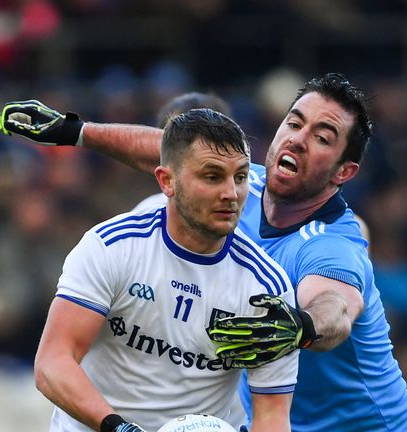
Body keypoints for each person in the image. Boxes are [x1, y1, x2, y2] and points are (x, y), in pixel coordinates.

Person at [0, 73, 407, 431]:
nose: (300, 139)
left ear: (344, 172)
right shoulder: (243, 185)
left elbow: (338, 307)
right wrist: (78, 133)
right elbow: (174, 149)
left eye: (322, 137)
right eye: (295, 123)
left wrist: (303, 326)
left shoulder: (331, 245)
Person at [30, 108, 301, 432]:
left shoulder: (266, 289)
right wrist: (118, 427)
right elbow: (53, 363)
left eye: (240, 177)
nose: (231, 193)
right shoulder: (112, 246)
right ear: (167, 181)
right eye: (212, 176)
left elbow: (272, 416)